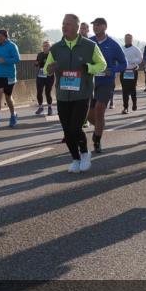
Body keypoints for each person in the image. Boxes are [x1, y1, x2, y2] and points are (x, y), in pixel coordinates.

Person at [44, 14, 107, 173]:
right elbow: (46, 69)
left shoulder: (90, 46)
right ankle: (75, 158)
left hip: (82, 94)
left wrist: (89, 68)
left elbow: (102, 64)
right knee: (67, 130)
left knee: (75, 127)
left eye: (68, 24)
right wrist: (49, 69)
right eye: (63, 23)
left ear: (77, 27)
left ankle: (85, 153)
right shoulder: (56, 48)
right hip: (63, 94)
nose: (64, 27)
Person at [87, 18, 127, 153]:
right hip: (90, 82)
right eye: (94, 25)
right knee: (88, 114)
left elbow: (124, 63)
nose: (95, 27)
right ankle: (100, 126)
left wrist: (113, 70)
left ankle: (97, 140)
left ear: (104, 27)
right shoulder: (89, 42)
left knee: (99, 109)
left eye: (98, 25)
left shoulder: (113, 45)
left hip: (106, 82)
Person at [0, 28, 21, 129]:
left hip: (9, 76)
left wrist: (5, 60)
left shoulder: (12, 46)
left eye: (1, 36)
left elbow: (17, 59)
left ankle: (13, 114)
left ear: (6, 37)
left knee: (8, 97)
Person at [120, 34, 142, 115]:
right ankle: (125, 107)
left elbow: (140, 59)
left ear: (132, 39)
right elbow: (118, 58)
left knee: (132, 89)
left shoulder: (136, 49)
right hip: (124, 71)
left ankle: (134, 104)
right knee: (124, 90)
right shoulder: (121, 49)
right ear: (124, 39)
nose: (127, 40)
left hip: (132, 71)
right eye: (126, 38)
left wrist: (132, 61)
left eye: (129, 38)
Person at [34, 40, 55, 117]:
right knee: (39, 92)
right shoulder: (40, 54)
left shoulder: (52, 54)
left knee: (47, 92)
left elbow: (56, 64)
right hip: (40, 76)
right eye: (43, 46)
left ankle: (50, 107)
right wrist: (36, 64)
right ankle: (40, 107)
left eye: (46, 46)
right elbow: (36, 63)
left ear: (50, 47)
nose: (45, 47)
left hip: (49, 76)